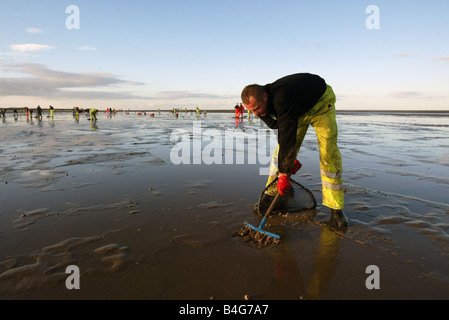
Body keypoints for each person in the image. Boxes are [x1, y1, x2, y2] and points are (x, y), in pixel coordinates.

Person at [241, 73, 347, 227]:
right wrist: (288, 158)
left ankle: (336, 210)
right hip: (297, 110)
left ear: (265, 96)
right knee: (279, 155)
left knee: (328, 155)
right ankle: (272, 198)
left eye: (257, 109)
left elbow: (288, 131)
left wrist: (284, 174)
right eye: (251, 111)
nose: (255, 114)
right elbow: (280, 130)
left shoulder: (281, 98)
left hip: (321, 104)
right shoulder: (260, 107)